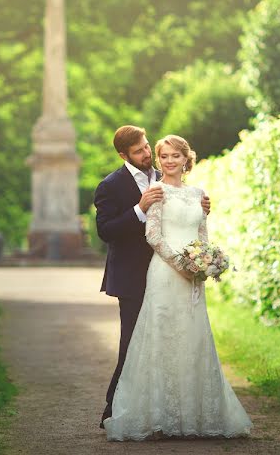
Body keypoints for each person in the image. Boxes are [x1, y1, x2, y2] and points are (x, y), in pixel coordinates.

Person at [103, 134, 253, 441]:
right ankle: (155, 414)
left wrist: (206, 262)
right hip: (164, 273)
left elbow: (202, 234)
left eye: (175, 155)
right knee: (158, 339)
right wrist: (183, 265)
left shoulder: (198, 193)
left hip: (192, 277)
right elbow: (153, 236)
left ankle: (195, 415)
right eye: (163, 156)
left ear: (187, 158)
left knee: (193, 338)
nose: (167, 160)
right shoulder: (153, 191)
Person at [94, 125, 210, 429]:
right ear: (123, 155)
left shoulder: (164, 176)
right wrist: (138, 209)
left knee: (172, 344)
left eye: (147, 147)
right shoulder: (110, 186)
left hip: (171, 276)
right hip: (133, 277)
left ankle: (170, 410)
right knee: (133, 344)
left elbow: (182, 209)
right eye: (139, 151)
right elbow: (106, 231)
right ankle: (114, 408)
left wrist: (201, 210)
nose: (147, 154)